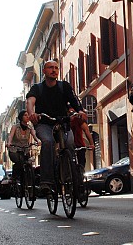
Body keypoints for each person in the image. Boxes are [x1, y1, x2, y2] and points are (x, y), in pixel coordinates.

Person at [25, 60, 87, 192]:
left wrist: (80, 110)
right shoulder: (37, 88)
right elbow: (30, 101)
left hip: (63, 123)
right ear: (44, 71)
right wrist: (32, 114)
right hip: (44, 123)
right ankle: (46, 181)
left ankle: (69, 177)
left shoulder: (64, 86)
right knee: (48, 142)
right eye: (50, 68)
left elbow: (74, 100)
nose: (54, 70)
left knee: (69, 143)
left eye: (56, 68)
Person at [6, 110, 38, 185]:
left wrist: (38, 141)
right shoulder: (15, 127)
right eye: (25, 115)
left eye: (28, 115)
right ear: (21, 117)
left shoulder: (30, 128)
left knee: (28, 163)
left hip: (25, 149)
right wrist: (9, 142)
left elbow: (34, 136)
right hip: (14, 149)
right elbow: (10, 136)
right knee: (18, 162)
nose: (27, 117)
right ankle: (14, 177)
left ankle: (28, 180)